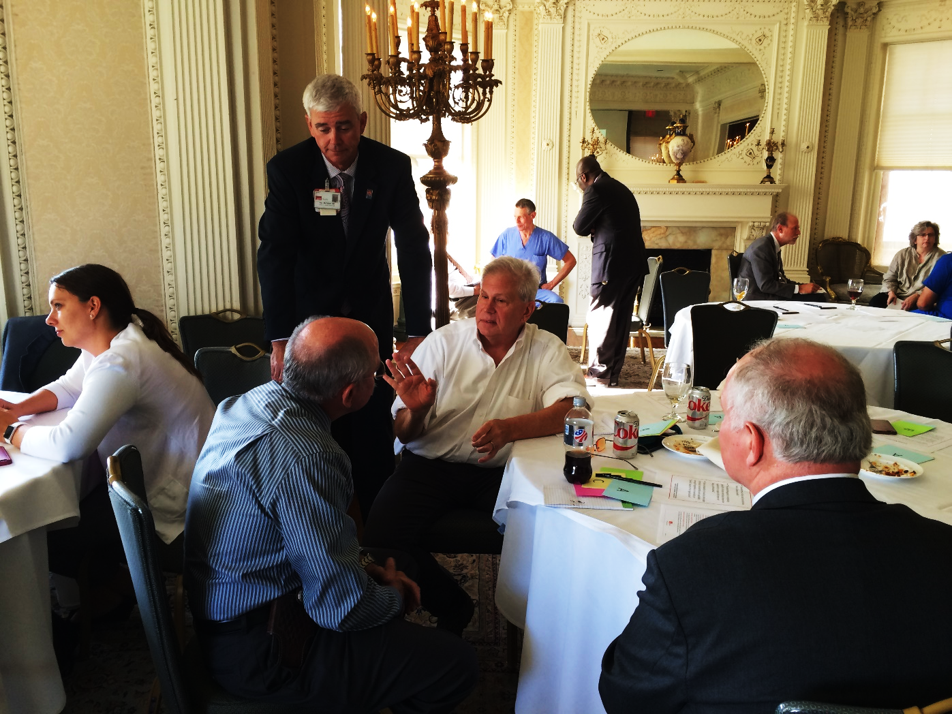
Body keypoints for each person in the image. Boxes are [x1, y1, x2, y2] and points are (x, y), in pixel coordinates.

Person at [599, 338, 952, 713]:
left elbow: (625, 695)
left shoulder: (694, 568)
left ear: (753, 442)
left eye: (726, 417)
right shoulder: (943, 547)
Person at [185, 316, 478, 713]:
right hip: (261, 650)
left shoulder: (245, 403)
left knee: (399, 561)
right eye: (375, 374)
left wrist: (366, 569)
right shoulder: (309, 456)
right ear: (350, 394)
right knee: (456, 665)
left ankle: (375, 670)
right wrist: (393, 595)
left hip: (237, 605)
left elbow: (300, 541)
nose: (378, 382)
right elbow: (341, 607)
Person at [363, 257, 590, 635]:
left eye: (501, 300)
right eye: (484, 296)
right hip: (430, 466)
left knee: (558, 530)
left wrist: (510, 428)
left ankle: (543, 629)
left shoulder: (545, 348)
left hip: (504, 471)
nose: (486, 308)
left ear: (527, 309)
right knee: (378, 539)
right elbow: (404, 432)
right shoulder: (443, 343)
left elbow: (571, 409)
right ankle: (453, 605)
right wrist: (417, 411)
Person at [257, 74, 432, 518]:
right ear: (309, 125)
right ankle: (321, 522)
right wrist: (280, 340)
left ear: (362, 121)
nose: (334, 140)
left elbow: (414, 248)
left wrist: (417, 331)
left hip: (369, 317)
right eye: (323, 128)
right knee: (315, 427)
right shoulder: (288, 170)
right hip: (310, 326)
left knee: (372, 424)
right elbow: (275, 257)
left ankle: (376, 525)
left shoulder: (390, 167)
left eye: (345, 126)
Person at [0, 264, 214, 605]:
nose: (49, 319)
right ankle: (111, 593)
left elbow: (69, 444)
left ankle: (118, 594)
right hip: (178, 481)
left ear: (93, 307)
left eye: (58, 306)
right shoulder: (123, 336)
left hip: (180, 505)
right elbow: (70, 386)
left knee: (42, 533)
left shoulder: (121, 361)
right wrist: (17, 408)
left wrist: (9, 430)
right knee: (63, 512)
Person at [573, 155, 648, 387]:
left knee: (602, 315)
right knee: (621, 319)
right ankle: (611, 374)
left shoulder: (595, 190)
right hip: (633, 262)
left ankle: (599, 374)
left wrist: (592, 223)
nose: (580, 186)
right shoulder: (621, 188)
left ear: (583, 177)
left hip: (611, 263)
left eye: (578, 182)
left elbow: (579, 226)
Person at [491, 198, 577, 303]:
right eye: (515, 217)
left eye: (521, 217)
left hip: (536, 292)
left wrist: (551, 284)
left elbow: (571, 261)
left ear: (532, 215)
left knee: (556, 301)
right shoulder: (507, 235)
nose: (517, 221)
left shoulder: (546, 238)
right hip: (510, 291)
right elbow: (493, 261)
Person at [738, 212, 827, 301]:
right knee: (819, 297)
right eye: (795, 228)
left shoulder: (771, 245)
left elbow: (781, 279)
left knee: (818, 295)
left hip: (766, 294)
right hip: (757, 298)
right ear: (780, 229)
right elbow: (765, 285)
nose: (799, 232)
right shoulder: (762, 248)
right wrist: (799, 289)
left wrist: (802, 286)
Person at [871, 221, 944, 309]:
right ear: (915, 239)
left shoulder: (942, 258)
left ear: (935, 238)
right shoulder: (902, 254)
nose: (927, 238)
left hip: (923, 299)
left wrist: (917, 296)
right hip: (897, 296)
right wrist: (891, 292)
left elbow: (938, 286)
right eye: (923, 235)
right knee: (875, 302)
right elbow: (890, 278)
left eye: (930, 235)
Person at [915, 250, 952, 319]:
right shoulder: (903, 254)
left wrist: (917, 296)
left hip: (945, 318)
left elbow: (923, 304)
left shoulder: (947, 260)